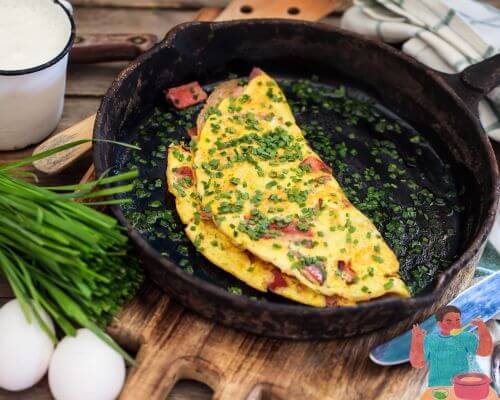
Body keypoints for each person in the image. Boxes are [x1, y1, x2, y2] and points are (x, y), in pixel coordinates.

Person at [410, 305, 493, 387]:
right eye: (448, 321)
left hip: (463, 386)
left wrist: (482, 328)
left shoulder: (466, 337)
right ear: (439, 324)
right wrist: (417, 342)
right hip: (438, 388)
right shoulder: (430, 340)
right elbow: (418, 364)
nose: (454, 325)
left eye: (457, 321)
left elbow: (484, 352)